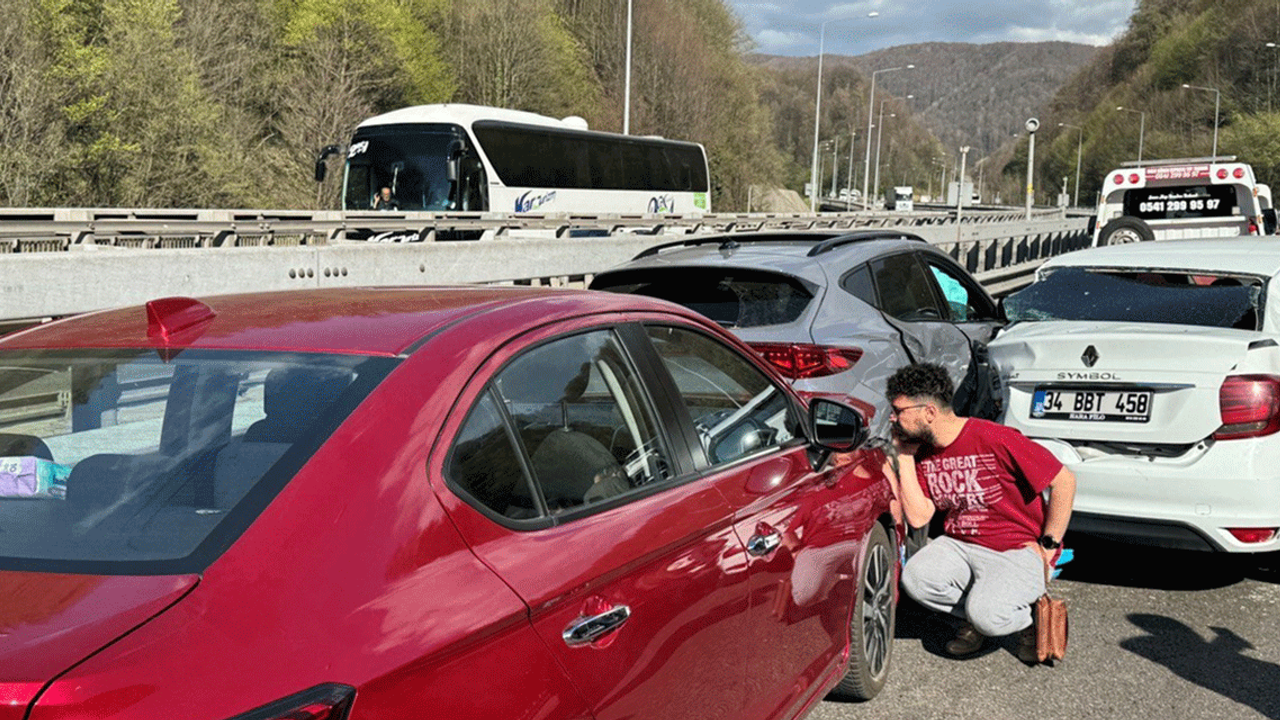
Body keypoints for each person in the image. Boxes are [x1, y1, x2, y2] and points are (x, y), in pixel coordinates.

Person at [884, 362, 1075, 663]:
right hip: (960, 544)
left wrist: (1049, 545)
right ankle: (976, 616)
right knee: (917, 580)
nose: (893, 418)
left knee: (990, 616)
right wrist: (905, 459)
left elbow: (1063, 480)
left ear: (929, 412)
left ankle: (1026, 620)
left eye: (899, 410)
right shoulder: (922, 451)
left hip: (1014, 549)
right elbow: (919, 517)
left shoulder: (995, 438)